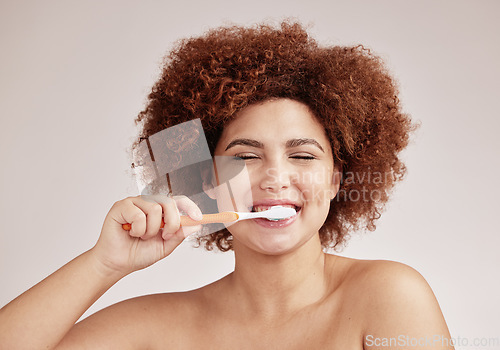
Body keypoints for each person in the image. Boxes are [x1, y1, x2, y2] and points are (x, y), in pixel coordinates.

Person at [0, 20, 454, 349]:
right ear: (208, 181)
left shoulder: (388, 296)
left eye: (302, 155)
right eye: (245, 156)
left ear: (336, 180)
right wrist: (104, 264)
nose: (276, 177)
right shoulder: (158, 328)